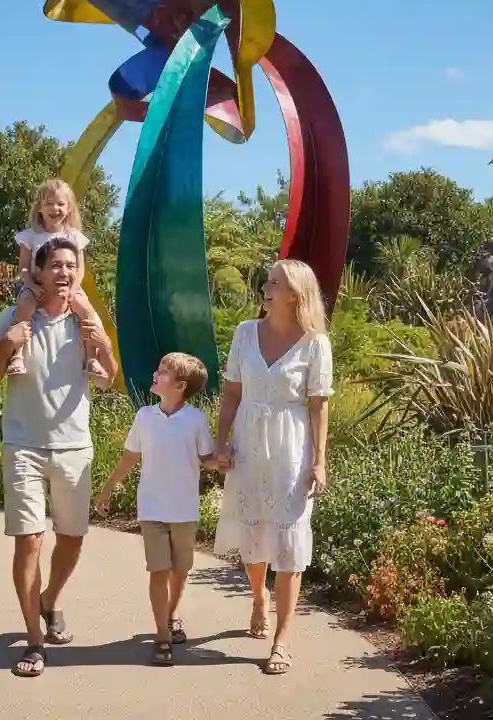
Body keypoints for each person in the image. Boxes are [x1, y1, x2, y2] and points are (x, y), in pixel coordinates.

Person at [0, 236, 117, 678]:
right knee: (30, 539)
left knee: (72, 539)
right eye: (55, 264)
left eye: (70, 265)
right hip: (23, 445)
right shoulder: (14, 318)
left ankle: (50, 600)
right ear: (37, 272)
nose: (64, 272)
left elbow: (109, 380)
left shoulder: (86, 321)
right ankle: (34, 643)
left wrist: (104, 347)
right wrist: (7, 343)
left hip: (74, 445)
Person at [213, 259, 333, 676]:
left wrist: (319, 461)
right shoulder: (245, 333)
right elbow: (230, 392)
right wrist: (220, 441)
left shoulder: (315, 343)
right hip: (248, 440)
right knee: (253, 531)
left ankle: (282, 639)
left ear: (295, 294)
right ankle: (258, 595)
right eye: (267, 280)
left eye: (274, 282)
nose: (266, 286)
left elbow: (319, 406)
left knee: (289, 542)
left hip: (291, 448)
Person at [94, 353, 216, 667]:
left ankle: (172, 613)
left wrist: (228, 463)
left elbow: (207, 458)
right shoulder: (144, 417)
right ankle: (162, 635)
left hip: (185, 509)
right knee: (158, 570)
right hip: (151, 508)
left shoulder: (195, 420)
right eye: (158, 367)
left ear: (180, 385)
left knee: (180, 569)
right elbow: (129, 457)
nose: (155, 373)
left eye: (163, 371)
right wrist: (107, 489)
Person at [8, 178, 107, 381]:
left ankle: (91, 357)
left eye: (60, 204)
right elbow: (24, 269)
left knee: (87, 310)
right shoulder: (30, 236)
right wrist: (32, 287)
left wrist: (73, 290)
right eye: (49, 203)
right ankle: (17, 355)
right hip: (38, 287)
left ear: (69, 208)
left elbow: (79, 269)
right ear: (40, 208)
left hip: (67, 287)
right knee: (24, 305)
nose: (55, 208)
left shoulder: (74, 236)